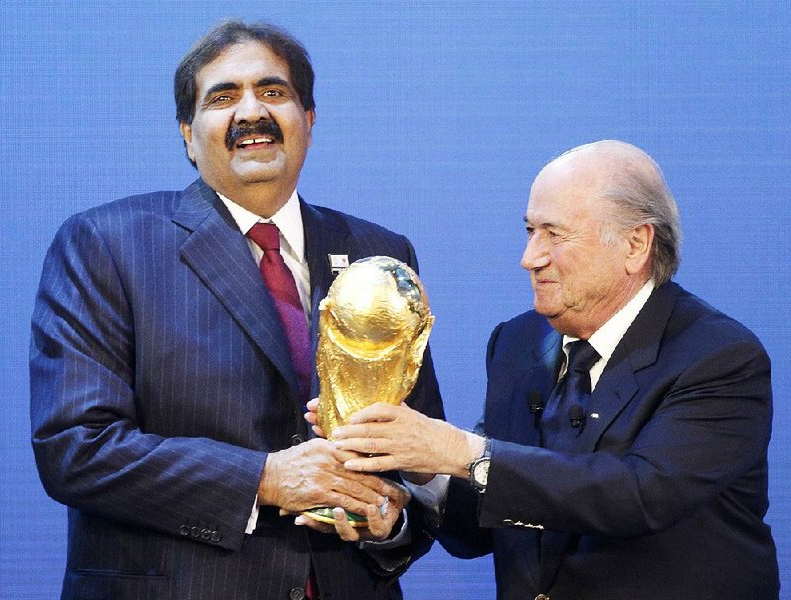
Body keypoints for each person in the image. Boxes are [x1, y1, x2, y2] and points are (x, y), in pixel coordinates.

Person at [30, 20, 443, 600]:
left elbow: (415, 453)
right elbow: (76, 448)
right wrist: (265, 480)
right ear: (187, 134)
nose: (251, 112)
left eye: (273, 92)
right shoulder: (107, 244)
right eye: (222, 98)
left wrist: (390, 519)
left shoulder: (382, 254)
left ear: (309, 119)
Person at [326, 140, 780, 599]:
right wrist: (421, 470)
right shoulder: (518, 343)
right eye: (529, 231)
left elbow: (640, 496)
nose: (530, 258)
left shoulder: (718, 357)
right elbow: (485, 524)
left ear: (635, 244)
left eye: (553, 234)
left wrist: (459, 451)